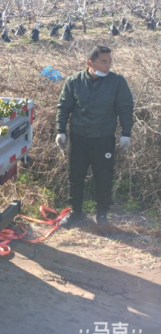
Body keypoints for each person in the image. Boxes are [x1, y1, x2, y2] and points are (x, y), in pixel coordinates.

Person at [55, 45, 134, 234]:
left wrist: (126, 134)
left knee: (103, 176)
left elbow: (125, 107)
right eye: (103, 62)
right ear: (90, 63)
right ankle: (76, 212)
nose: (108, 65)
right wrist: (61, 130)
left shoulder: (117, 82)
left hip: (103, 138)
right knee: (75, 176)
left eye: (110, 61)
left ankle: (102, 215)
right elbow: (64, 106)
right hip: (79, 138)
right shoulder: (74, 81)